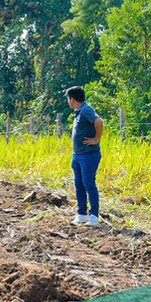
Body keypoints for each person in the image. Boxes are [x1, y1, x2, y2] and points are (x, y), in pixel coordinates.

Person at [66, 86, 103, 227]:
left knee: (89, 184)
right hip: (78, 155)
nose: (68, 101)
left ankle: (94, 216)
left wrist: (96, 139)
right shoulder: (79, 112)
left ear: (72, 99)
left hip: (89, 155)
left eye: (68, 99)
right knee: (79, 184)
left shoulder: (86, 109)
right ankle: (81, 214)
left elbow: (99, 121)